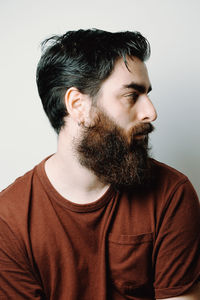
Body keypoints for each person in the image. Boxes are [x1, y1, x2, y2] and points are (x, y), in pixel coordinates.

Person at [0, 29, 199, 300]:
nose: (151, 112)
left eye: (147, 95)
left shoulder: (172, 194)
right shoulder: (9, 219)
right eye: (132, 95)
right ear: (78, 105)